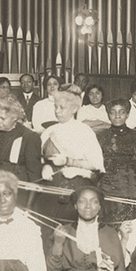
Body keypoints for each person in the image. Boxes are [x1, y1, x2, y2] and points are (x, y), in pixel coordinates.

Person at [41, 90, 105, 221]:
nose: (57, 111)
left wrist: (68, 161)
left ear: (74, 109)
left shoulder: (84, 131)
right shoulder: (48, 131)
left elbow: (96, 164)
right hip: (52, 185)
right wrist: (44, 167)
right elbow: (42, 158)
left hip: (77, 185)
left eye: (62, 107)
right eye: (55, 107)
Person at [97, 98, 136, 223]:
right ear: (108, 115)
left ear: (127, 114)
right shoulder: (101, 137)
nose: (117, 115)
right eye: (113, 112)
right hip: (109, 193)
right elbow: (95, 166)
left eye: (121, 112)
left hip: (134, 193)